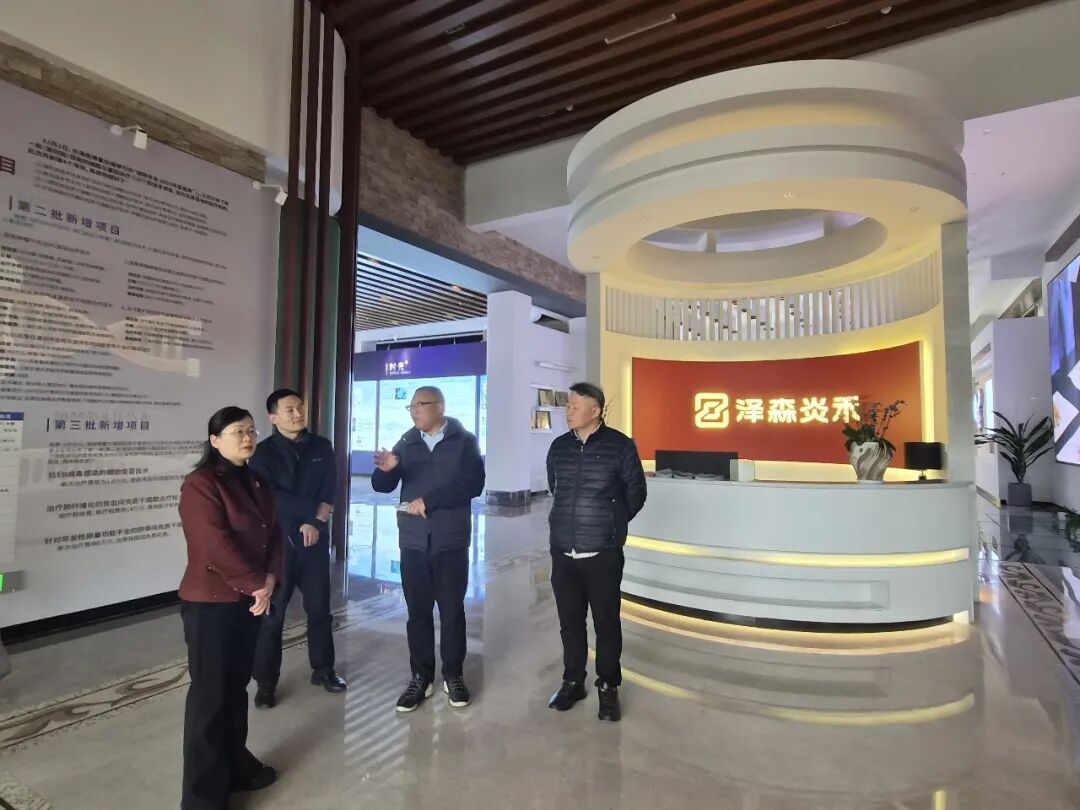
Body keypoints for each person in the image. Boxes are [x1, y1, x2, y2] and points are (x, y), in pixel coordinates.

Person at [178, 406, 283, 810]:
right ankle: (202, 799)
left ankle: (235, 767)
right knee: (210, 698)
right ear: (215, 440)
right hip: (211, 604)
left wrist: (269, 579)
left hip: (248, 599)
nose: (247, 437)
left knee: (236, 689)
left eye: (251, 430)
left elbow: (273, 533)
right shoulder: (201, 484)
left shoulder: (256, 479)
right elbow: (213, 544)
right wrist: (256, 583)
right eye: (238, 431)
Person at [371, 385, 486, 712]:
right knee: (418, 613)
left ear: (440, 406)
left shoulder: (464, 441)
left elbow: (473, 484)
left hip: (451, 540)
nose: (415, 411)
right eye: (411, 406)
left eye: (421, 405)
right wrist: (387, 470)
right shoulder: (407, 442)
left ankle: (453, 675)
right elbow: (382, 486)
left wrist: (429, 500)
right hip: (414, 541)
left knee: (451, 611)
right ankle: (420, 677)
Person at [545, 382, 647, 723]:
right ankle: (573, 682)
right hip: (563, 551)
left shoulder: (620, 446)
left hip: (602, 552)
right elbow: (555, 487)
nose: (569, 411)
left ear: (596, 411)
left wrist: (610, 523)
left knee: (606, 623)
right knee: (570, 623)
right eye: (568, 405)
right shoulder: (559, 447)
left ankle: (608, 686)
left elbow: (636, 493)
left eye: (575, 406)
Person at [250, 389, 345, 707]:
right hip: (279, 546)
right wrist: (310, 514)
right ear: (273, 417)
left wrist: (315, 523)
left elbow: (329, 486)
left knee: (319, 610)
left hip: (314, 541)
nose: (297, 413)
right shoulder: (262, 453)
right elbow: (270, 496)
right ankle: (266, 683)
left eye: (300, 407)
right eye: (289, 409)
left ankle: (324, 670)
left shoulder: (321, 446)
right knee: (272, 616)